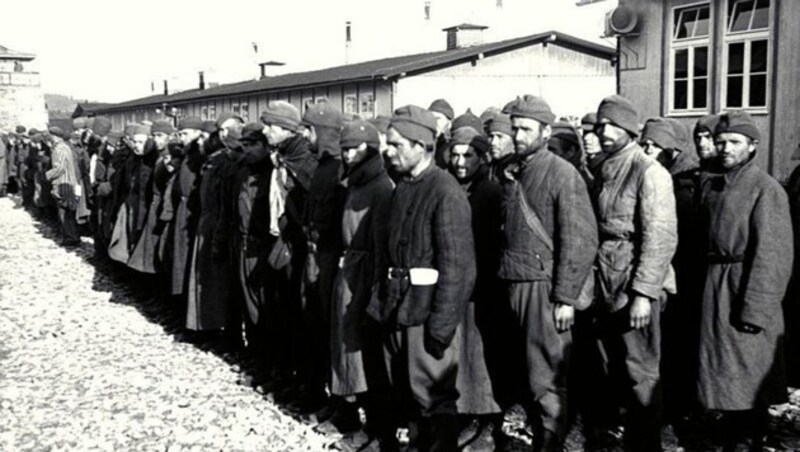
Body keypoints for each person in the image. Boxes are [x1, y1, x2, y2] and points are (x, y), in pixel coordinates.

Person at [367, 104, 476, 452]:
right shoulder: (402, 187)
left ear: (421, 145)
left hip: (426, 316)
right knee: (404, 395)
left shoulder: (445, 191)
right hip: (397, 309)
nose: (389, 151)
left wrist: (441, 328)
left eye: (396, 144)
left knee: (433, 399)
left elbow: (458, 268)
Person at [500, 95, 598, 451]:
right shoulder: (515, 169)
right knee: (527, 370)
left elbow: (580, 240)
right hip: (516, 280)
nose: (518, 135)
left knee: (547, 372)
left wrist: (565, 297)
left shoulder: (561, 173)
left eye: (526, 129)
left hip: (545, 287)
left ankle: (550, 443)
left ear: (544, 131)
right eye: (515, 128)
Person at [696, 111, 793, 450]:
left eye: (735, 142)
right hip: (716, 289)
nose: (725, 149)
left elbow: (773, 255)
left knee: (749, 378)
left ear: (752, 146)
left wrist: (756, 309)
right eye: (720, 142)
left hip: (743, 290)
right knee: (723, 375)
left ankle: (749, 439)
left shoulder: (765, 190)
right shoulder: (714, 185)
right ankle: (732, 437)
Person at [590, 95, 677, 451]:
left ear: (631, 130)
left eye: (614, 125)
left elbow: (660, 237)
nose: (605, 131)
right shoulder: (604, 168)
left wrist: (644, 294)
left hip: (636, 281)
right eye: (601, 125)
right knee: (614, 369)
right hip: (607, 280)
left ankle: (646, 444)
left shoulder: (649, 172)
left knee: (641, 373)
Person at [327, 118, 395, 451]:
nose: (349, 154)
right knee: (346, 348)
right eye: (345, 148)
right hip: (350, 269)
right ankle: (350, 415)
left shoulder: (380, 188)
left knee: (364, 355)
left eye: (355, 148)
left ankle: (376, 428)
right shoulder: (354, 183)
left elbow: (383, 244)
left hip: (365, 276)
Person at [446, 127, 507, 450]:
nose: (459, 162)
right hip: (455, 285)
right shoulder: (448, 186)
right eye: (454, 155)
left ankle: (490, 423)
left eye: (467, 155)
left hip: (483, 286)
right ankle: (463, 414)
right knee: (458, 355)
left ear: (481, 158)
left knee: (483, 356)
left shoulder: (490, 192)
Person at [260, 101, 317, 404]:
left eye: (270, 125)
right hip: (285, 243)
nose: (265, 130)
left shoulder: (303, 160)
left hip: (298, 248)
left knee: (301, 318)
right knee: (285, 314)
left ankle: (308, 387)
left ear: (285, 129)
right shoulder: (282, 157)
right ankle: (292, 378)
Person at [295, 101, 346, 417]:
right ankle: (318, 393)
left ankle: (339, 404)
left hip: (329, 259)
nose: (304, 135)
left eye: (308, 129)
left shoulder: (339, 169)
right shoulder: (323, 167)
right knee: (312, 326)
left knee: (330, 331)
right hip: (314, 256)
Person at [44, 127, 81, 246]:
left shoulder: (59, 148)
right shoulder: (64, 146)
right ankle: (71, 235)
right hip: (67, 182)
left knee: (64, 211)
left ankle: (70, 237)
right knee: (67, 211)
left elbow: (59, 168)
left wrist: (47, 175)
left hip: (63, 183)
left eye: (49, 134)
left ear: (54, 136)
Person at [486, 113, 515, 182]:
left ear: (513, 139)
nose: (493, 142)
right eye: (491, 136)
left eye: (500, 137)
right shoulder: (491, 168)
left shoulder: (516, 171)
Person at [428, 98, 454, 168]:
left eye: (438, 119)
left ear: (449, 124)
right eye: (431, 118)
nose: (434, 122)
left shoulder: (452, 149)